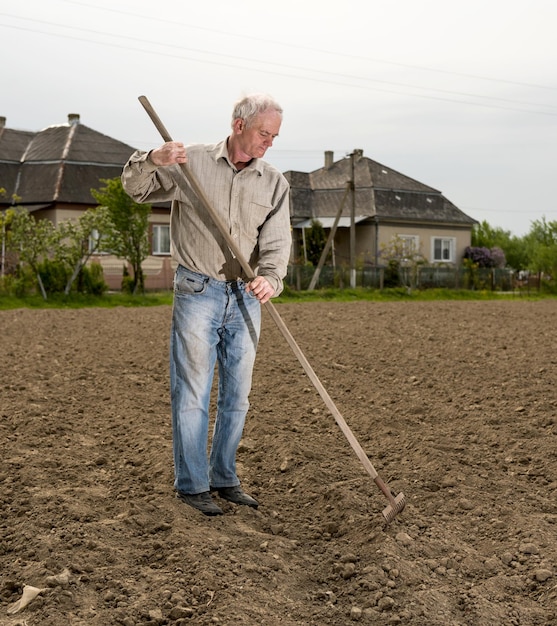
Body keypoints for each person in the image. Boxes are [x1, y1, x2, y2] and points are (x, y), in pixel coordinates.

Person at [121, 94, 291, 516]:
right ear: (238, 126)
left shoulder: (274, 181)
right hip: (198, 289)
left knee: (238, 396)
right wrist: (153, 159)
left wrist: (270, 279)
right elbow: (135, 188)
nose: (268, 142)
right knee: (193, 392)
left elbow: (276, 244)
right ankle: (192, 485)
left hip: (245, 296)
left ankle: (224, 477)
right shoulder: (188, 160)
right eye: (262, 133)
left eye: (274, 136)